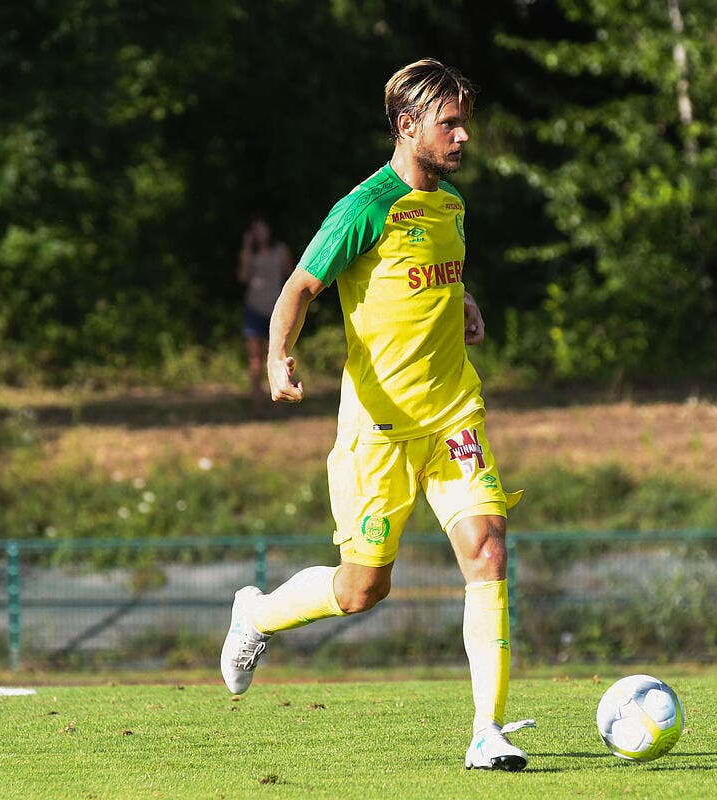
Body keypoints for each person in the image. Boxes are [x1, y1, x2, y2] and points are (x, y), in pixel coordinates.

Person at [220, 58, 533, 771]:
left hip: (454, 415)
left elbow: (434, 277)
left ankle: (487, 732)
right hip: (379, 430)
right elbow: (301, 286)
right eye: (448, 123)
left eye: (464, 123)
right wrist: (277, 358)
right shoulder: (366, 206)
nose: (461, 137)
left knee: (487, 549)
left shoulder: (451, 205)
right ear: (407, 126)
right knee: (364, 589)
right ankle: (256, 614)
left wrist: (465, 301)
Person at [237, 217, 293, 409]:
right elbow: (243, 277)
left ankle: (280, 397)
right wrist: (246, 247)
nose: (261, 234)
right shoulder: (249, 255)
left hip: (276, 311)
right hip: (254, 310)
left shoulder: (281, 251)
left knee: (279, 356)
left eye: (263, 229)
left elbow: (293, 277)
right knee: (256, 359)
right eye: (256, 231)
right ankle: (257, 400)